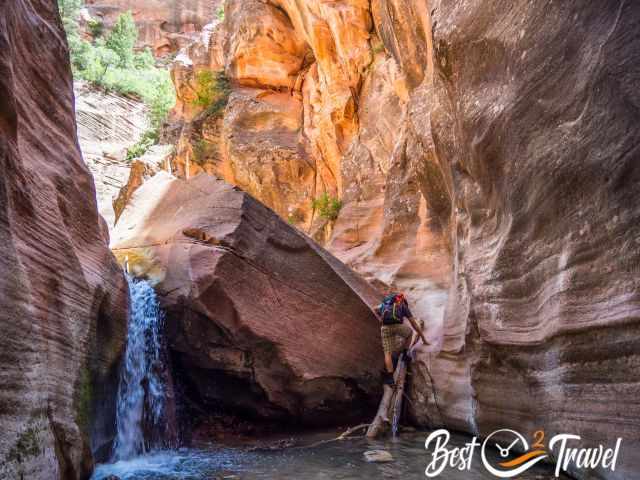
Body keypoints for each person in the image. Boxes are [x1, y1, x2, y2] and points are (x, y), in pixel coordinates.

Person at [376, 292, 426, 387]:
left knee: (387, 353)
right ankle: (405, 353)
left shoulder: (385, 305)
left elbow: (375, 309)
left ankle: (390, 378)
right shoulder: (403, 306)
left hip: (385, 328)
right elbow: (414, 324)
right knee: (409, 333)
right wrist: (423, 338)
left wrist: (380, 318)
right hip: (398, 327)